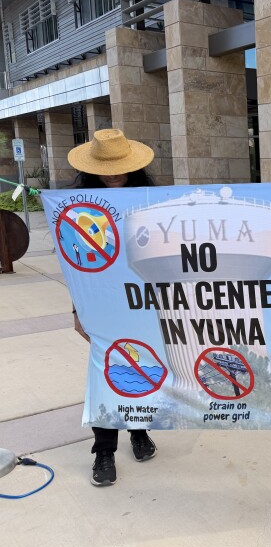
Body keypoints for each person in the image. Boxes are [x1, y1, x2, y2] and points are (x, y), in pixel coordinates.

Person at [68, 129, 158, 486]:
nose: (112, 173)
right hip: (101, 300)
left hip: (144, 300)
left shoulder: (150, 200)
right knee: (105, 372)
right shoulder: (76, 207)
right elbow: (75, 263)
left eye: (120, 166)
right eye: (104, 167)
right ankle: (104, 451)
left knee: (141, 364)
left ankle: (138, 430)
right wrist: (76, 310)